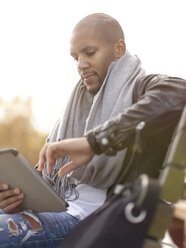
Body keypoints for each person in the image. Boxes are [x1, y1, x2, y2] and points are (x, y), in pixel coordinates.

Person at [0, 13, 186, 248]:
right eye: (75, 57)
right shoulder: (77, 105)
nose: (80, 65)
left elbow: (179, 91)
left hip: (95, 220)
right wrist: (17, 199)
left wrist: (93, 142)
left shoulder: (140, 88)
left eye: (89, 53)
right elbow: (48, 177)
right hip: (58, 208)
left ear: (119, 49)